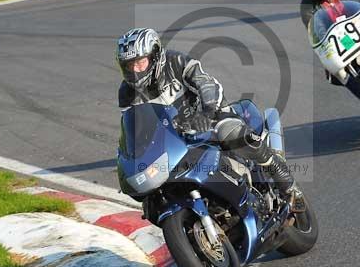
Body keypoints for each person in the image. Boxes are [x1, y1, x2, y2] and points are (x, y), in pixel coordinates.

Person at [116, 27, 304, 210]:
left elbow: (206, 84)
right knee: (152, 199)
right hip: (174, 139)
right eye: (129, 65)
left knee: (232, 134)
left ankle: (283, 179)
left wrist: (208, 111)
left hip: (208, 118)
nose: (135, 70)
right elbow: (134, 128)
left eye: (140, 62)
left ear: (155, 56)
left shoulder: (176, 62)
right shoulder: (127, 93)